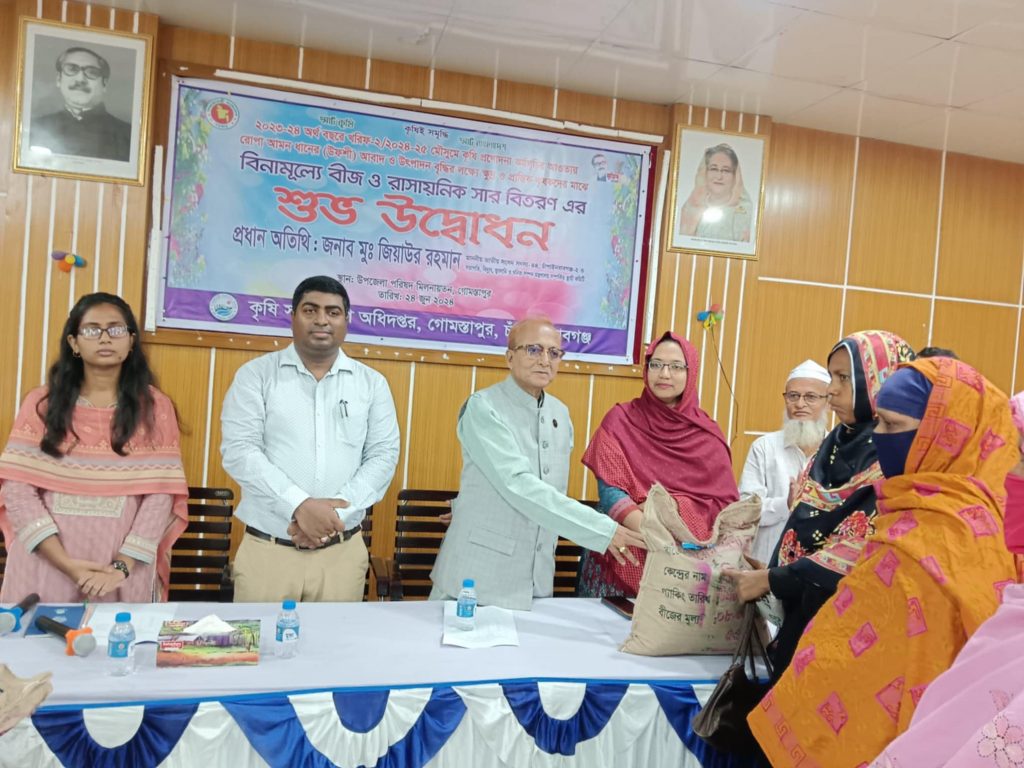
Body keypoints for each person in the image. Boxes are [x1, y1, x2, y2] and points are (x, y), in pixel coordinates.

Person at [747, 356, 1019, 767]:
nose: (878, 436)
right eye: (878, 421)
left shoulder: (957, 530)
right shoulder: (910, 510)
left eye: (892, 425)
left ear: (941, 435)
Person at [723, 330, 915, 678]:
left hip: (848, 632)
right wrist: (774, 572)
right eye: (832, 377)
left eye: (844, 378)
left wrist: (773, 579)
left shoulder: (892, 455)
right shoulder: (834, 445)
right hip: (797, 614)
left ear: (878, 380)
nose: (832, 391)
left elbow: (858, 551)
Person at [429, 317, 646, 611]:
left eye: (554, 353)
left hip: (537, 580)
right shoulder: (483, 407)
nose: (545, 360)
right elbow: (517, 484)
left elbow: (549, 490)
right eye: (533, 350)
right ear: (510, 357)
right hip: (477, 580)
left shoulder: (560, 414)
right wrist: (601, 530)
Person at [220, 276, 400, 602]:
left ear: (346, 320)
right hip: (268, 553)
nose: (321, 320)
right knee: (261, 638)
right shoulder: (256, 376)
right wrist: (298, 506)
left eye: (333, 312)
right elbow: (240, 451)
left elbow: (383, 456)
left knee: (336, 638)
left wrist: (331, 519)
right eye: (310, 310)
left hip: (341, 556)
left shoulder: (371, 384)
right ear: (293, 316)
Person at [0, 292, 188, 603]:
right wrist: (67, 565)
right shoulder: (42, 404)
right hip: (45, 562)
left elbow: (160, 495)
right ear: (73, 342)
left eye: (115, 329)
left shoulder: (155, 408)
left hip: (120, 568)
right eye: (91, 329)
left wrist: (121, 567)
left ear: (131, 341)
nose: (104, 337)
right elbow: (17, 490)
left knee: (118, 632)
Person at [576, 331, 738, 598]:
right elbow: (610, 491)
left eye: (676, 366)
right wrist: (652, 532)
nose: (664, 374)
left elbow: (723, 507)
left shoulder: (707, 436)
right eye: (656, 364)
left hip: (684, 567)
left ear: (691, 373)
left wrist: (665, 509)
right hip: (621, 554)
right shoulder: (620, 419)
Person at [738, 359, 831, 564]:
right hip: (765, 564)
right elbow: (745, 510)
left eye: (810, 397)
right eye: (793, 396)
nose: (800, 404)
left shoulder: (838, 451)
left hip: (818, 565)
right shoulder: (764, 447)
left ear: (828, 401)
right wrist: (785, 504)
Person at [30, 47, 132, 161]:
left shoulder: (129, 136)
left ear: (104, 84)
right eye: (72, 69)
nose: (80, 79)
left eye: (92, 72)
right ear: (59, 79)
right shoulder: (33, 129)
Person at [677, 143, 752, 241]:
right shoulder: (690, 209)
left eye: (726, 170)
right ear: (704, 173)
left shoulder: (745, 212)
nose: (719, 177)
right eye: (714, 169)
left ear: (735, 176)